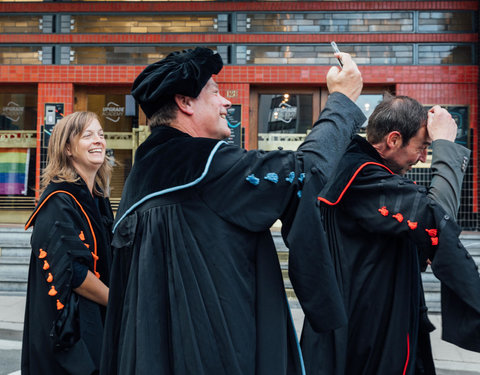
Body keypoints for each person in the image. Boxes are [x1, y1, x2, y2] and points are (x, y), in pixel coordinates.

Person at [100, 47, 365, 375]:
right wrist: (343, 101)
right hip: (217, 355)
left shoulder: (138, 181)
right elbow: (307, 171)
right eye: (215, 92)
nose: (227, 102)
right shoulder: (208, 165)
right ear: (185, 103)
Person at [296, 93, 480, 375]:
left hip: (371, 324)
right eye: (423, 147)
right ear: (393, 140)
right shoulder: (362, 175)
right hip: (368, 338)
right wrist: (446, 146)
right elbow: (436, 222)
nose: (422, 158)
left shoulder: (359, 170)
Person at [22, 111, 114, 375]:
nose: (98, 141)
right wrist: (121, 301)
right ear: (67, 148)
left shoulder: (96, 198)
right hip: (70, 335)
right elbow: (73, 273)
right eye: (88, 135)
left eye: (101, 134)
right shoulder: (58, 201)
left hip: (96, 323)